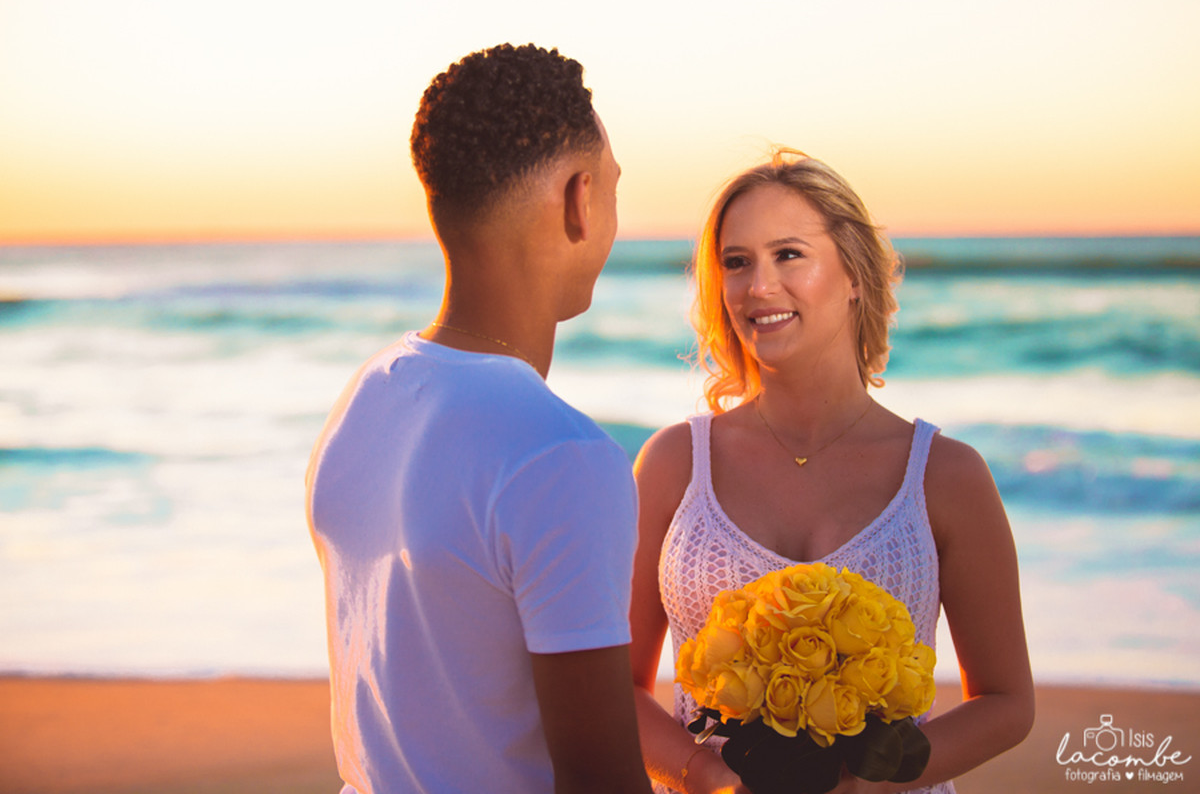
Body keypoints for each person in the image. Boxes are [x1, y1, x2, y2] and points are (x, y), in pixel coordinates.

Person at [629, 150, 1034, 794]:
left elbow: (1008, 702)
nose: (758, 286)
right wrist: (710, 776)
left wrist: (870, 784)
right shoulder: (676, 464)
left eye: (789, 254)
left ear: (854, 275)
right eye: (737, 263)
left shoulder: (945, 477)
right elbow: (619, 687)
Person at [307, 43, 653, 794]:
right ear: (579, 200)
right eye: (615, 189)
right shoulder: (560, 454)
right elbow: (602, 781)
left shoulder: (365, 396)